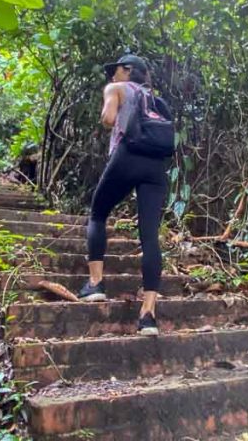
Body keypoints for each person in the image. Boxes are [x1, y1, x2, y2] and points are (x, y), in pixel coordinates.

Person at [77, 54, 170, 336]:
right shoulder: (157, 100)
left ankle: (95, 284)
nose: (111, 76)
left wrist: (115, 118)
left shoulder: (116, 89)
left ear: (126, 71)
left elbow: (108, 118)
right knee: (150, 236)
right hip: (156, 167)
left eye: (114, 70)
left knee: (98, 213)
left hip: (127, 157)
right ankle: (148, 316)